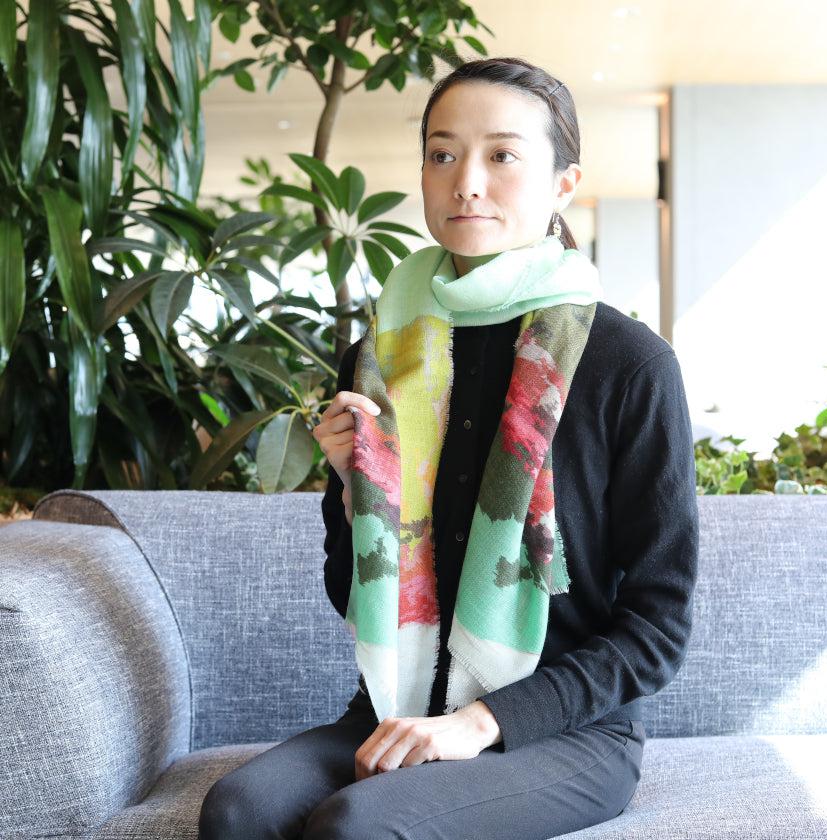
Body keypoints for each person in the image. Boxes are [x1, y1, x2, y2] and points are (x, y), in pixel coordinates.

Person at [197, 56, 699, 840]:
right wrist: (354, 495)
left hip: (563, 731)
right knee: (238, 811)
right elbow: (350, 593)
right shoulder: (381, 356)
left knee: (357, 827)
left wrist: (479, 722)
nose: (466, 182)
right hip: (399, 707)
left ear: (563, 183)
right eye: (442, 154)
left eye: (502, 155)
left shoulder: (628, 364)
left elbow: (658, 628)